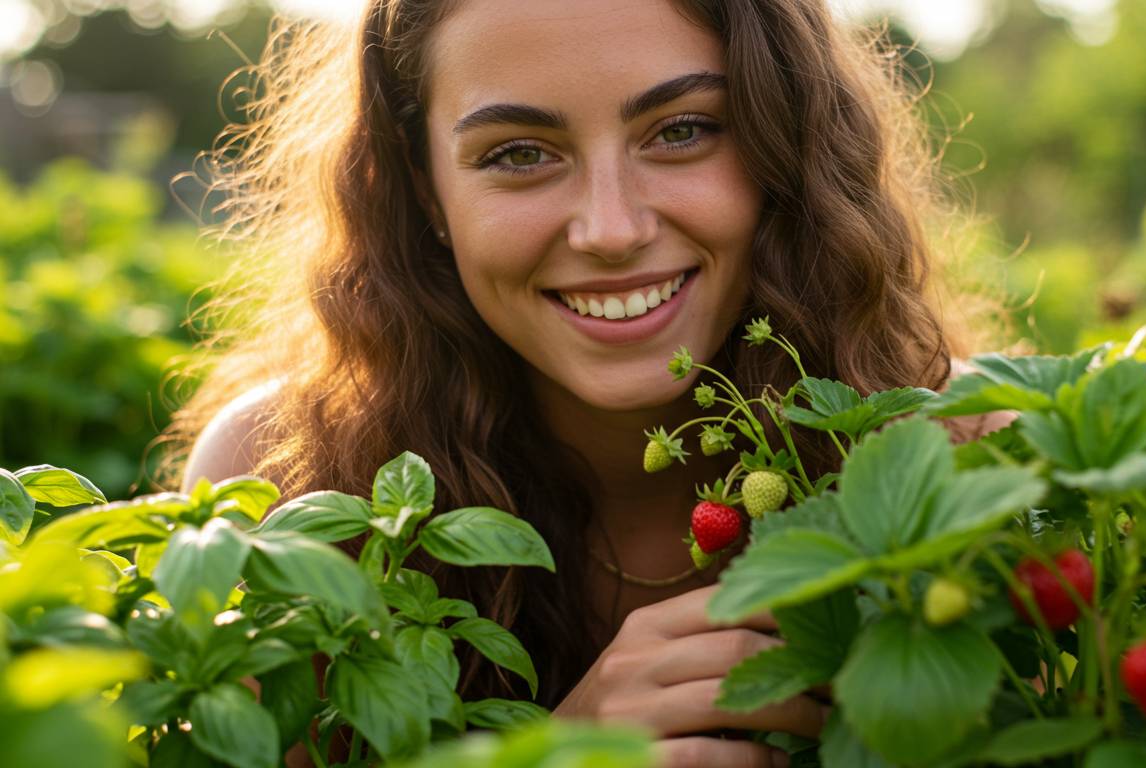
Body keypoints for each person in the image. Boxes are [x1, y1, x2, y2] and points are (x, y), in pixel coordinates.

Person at [169, 0, 1006, 765]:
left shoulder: (980, 460)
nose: (611, 230)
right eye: (520, 154)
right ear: (426, 189)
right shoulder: (277, 493)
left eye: (682, 131)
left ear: (786, 143)